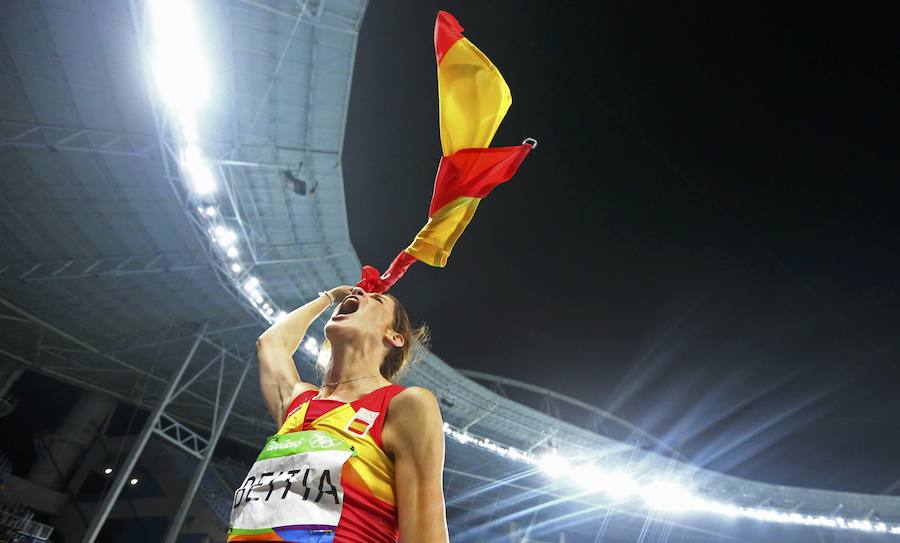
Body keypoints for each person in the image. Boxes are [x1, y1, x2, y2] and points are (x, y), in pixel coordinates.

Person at [228, 286, 449, 543]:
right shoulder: (299, 403)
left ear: (394, 337)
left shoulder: (403, 405)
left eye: (376, 299)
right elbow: (270, 343)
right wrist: (330, 297)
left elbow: (425, 532)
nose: (359, 294)